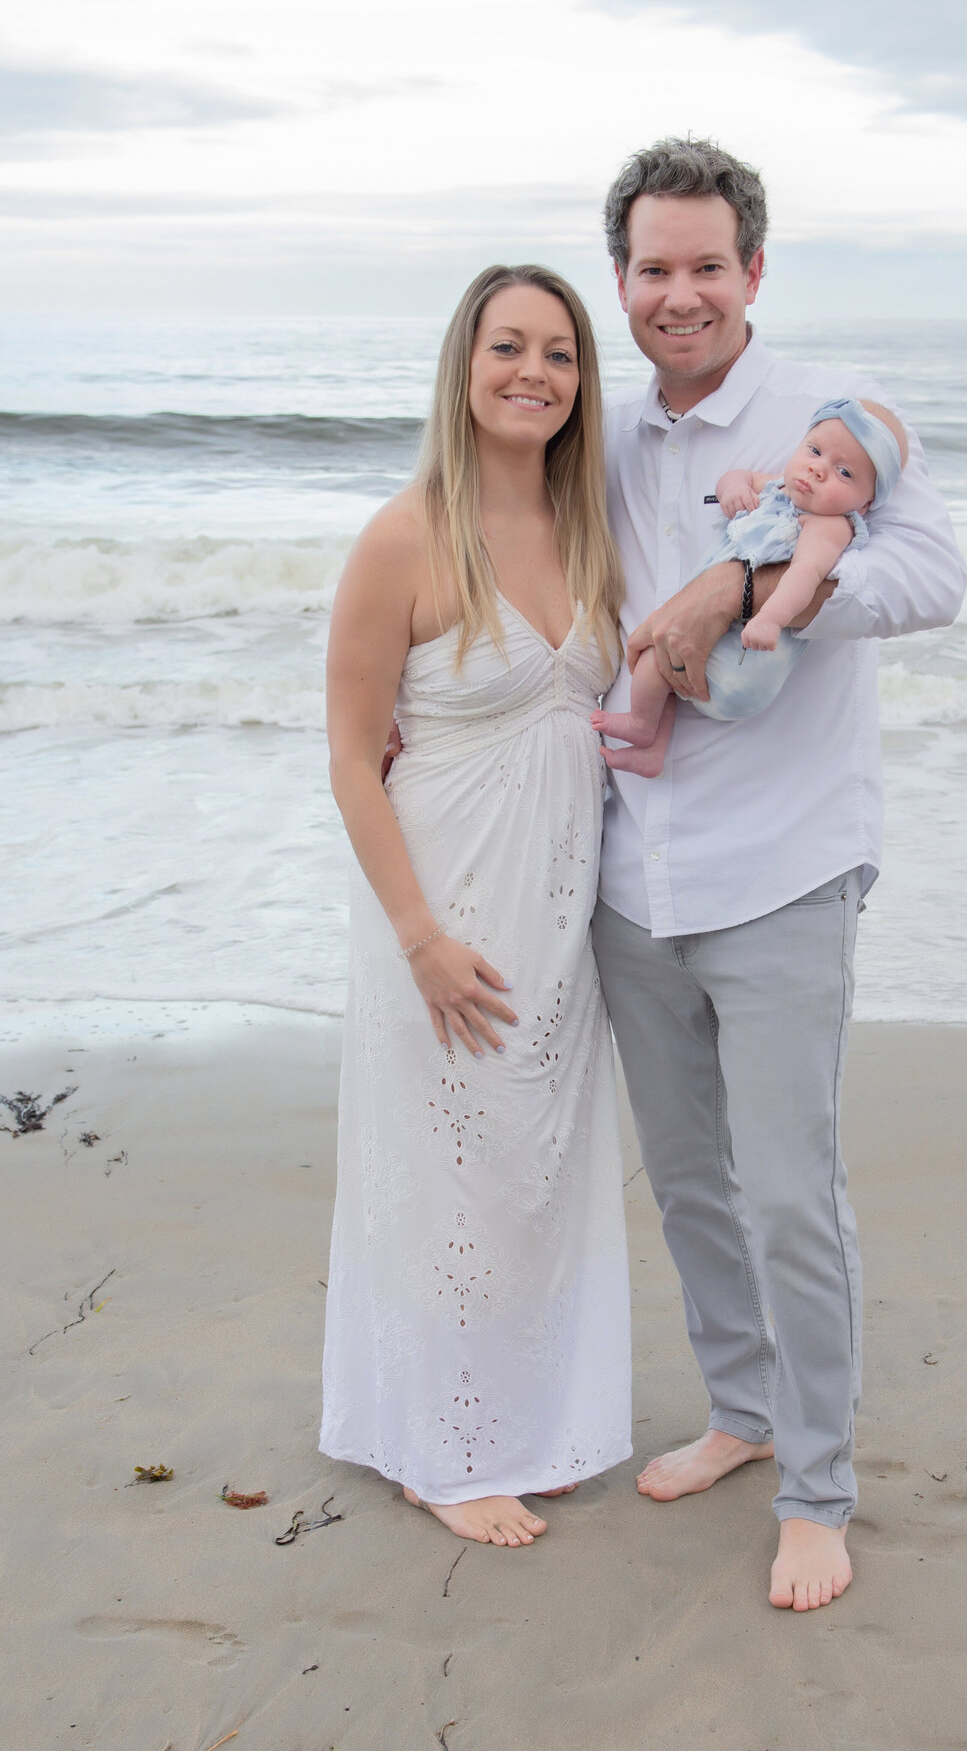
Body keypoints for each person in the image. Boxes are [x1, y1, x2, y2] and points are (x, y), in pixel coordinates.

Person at [590, 138, 967, 1611]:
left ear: (754, 270)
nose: (678, 295)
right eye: (652, 268)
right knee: (689, 1183)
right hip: (638, 877)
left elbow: (936, 576)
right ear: (622, 278)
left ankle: (820, 1485)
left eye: (705, 266)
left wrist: (756, 585)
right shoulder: (611, 436)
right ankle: (742, 1415)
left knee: (794, 1195)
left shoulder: (835, 420)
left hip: (786, 871)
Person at [320, 264, 632, 1549]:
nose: (535, 373)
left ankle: (523, 1419)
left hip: (564, 910)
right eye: (509, 346)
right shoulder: (407, 533)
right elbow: (348, 753)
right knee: (446, 1167)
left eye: (560, 352)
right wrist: (420, 941)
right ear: (464, 365)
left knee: (535, 1169)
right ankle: (438, 1451)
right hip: (441, 906)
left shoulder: (593, 525)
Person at [592, 397, 908, 775]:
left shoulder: (829, 526)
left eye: (844, 472)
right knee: (670, 654)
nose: (818, 469)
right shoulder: (778, 491)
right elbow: (738, 475)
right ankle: (651, 750)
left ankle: (641, 725)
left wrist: (769, 620)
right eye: (815, 450)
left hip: (740, 662)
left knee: (655, 657)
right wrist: (732, 488)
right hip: (714, 645)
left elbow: (803, 577)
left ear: (866, 503)